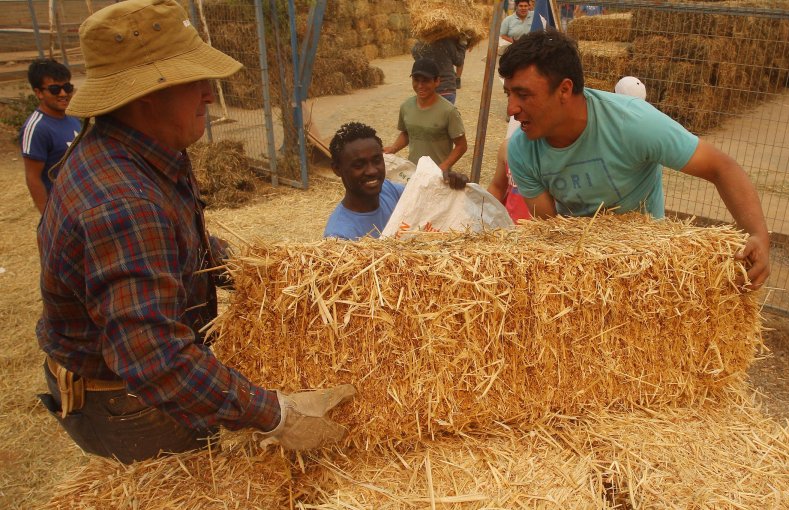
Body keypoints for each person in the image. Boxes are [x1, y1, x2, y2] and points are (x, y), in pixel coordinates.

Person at [35, 0, 355, 464]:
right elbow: (155, 360)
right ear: (145, 95)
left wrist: (264, 273)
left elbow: (182, 246)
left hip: (133, 381)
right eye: (195, 80)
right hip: (128, 403)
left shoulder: (145, 151)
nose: (209, 93)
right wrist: (276, 414)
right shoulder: (124, 204)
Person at [499, 30, 770, 289]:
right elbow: (552, 231)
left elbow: (721, 167)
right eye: (508, 94)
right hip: (581, 266)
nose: (511, 109)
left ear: (565, 90)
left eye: (523, 95)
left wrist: (758, 236)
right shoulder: (522, 150)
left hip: (647, 265)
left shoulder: (634, 122)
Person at [326, 122, 468, 240]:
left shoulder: (390, 190)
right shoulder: (339, 237)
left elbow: (428, 200)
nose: (372, 171)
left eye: (377, 160)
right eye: (358, 165)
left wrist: (449, 187)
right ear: (337, 169)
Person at [384, 58, 469, 180]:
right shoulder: (406, 107)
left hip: (437, 177)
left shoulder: (449, 111)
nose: (420, 86)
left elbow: (461, 146)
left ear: (437, 81)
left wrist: (442, 168)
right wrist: (393, 148)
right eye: (416, 80)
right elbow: (407, 133)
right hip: (413, 173)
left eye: (425, 81)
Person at [19, 58, 81, 212]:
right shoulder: (36, 128)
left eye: (67, 87)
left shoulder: (72, 117)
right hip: (62, 209)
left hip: (82, 202)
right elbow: (33, 178)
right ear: (38, 93)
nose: (63, 93)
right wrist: (47, 218)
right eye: (55, 89)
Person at [487, 118, 530, 224]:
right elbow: (497, 187)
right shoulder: (508, 147)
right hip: (509, 231)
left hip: (542, 233)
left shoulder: (560, 153)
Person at [411, 36, 466, 104]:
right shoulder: (447, 42)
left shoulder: (420, 45)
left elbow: (415, 54)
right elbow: (459, 61)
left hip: (427, 89)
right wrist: (462, 44)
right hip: (446, 88)